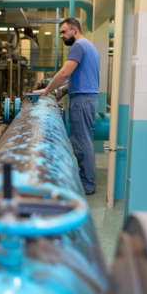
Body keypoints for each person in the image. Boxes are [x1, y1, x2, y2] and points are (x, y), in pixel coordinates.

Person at [32, 18, 100, 195]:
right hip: (88, 98)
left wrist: (47, 89)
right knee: (84, 140)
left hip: (82, 101)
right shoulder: (90, 46)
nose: (61, 36)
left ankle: (87, 184)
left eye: (63, 32)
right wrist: (60, 92)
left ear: (74, 30)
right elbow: (80, 77)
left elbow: (65, 72)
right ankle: (87, 179)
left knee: (81, 141)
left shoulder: (78, 46)